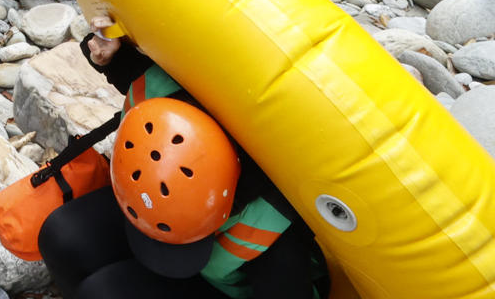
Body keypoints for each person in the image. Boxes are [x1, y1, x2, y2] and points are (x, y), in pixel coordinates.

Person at [37, 32, 330, 299]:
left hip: (231, 284)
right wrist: (108, 55)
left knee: (102, 293)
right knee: (63, 236)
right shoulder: (165, 96)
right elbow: (124, 61)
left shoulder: (276, 235)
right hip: (146, 207)